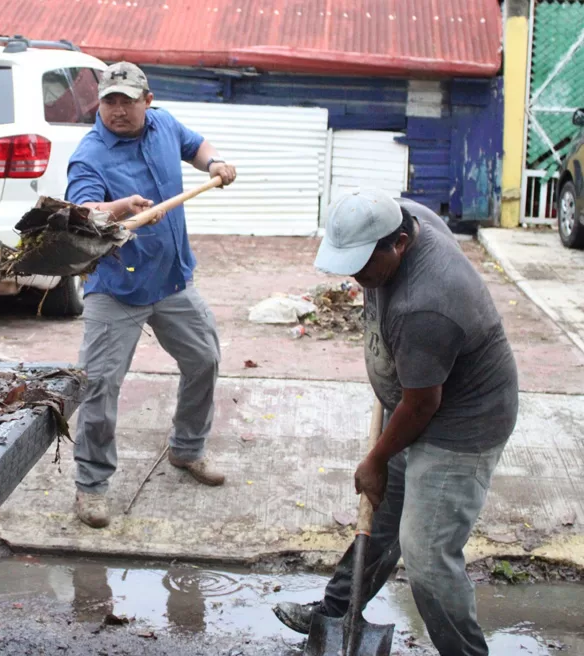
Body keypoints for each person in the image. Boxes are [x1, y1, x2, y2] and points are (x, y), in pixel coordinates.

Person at [273, 189, 519, 656]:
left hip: (461, 423)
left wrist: (377, 457)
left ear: (400, 243)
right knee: (383, 514)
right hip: (416, 400)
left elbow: (423, 404)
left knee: (426, 556)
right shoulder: (407, 215)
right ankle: (337, 613)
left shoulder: (427, 304)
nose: (355, 274)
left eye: (364, 264)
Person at [66, 62, 238, 529]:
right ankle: (92, 486)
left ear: (147, 99)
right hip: (116, 287)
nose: (118, 111)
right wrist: (119, 207)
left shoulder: (163, 124)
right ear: (99, 103)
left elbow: (195, 146)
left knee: (204, 359)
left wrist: (214, 162)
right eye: (109, 101)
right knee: (100, 385)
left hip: (171, 280)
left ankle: (186, 450)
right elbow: (81, 211)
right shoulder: (90, 155)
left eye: (127, 100)